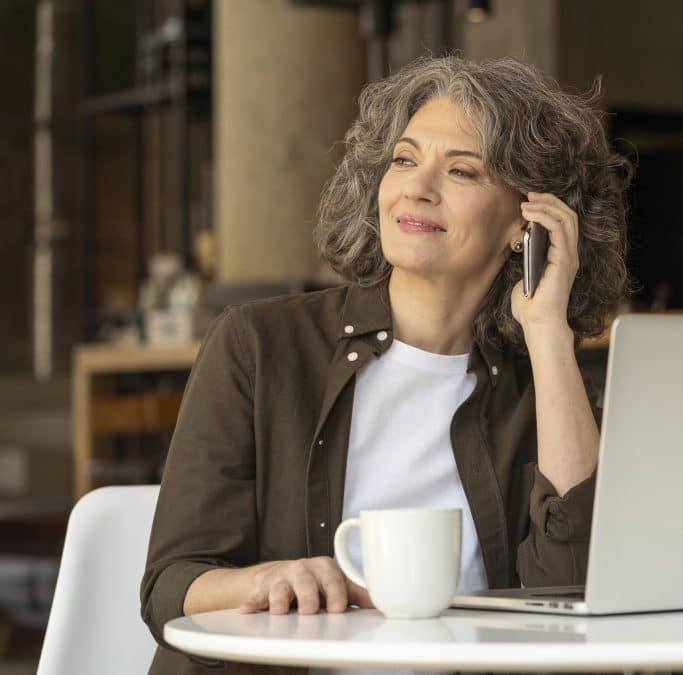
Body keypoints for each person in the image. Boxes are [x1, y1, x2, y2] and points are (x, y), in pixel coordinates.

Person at [140, 53, 634, 674]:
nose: (416, 188)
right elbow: (168, 588)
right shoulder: (258, 344)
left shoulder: (542, 384)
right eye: (404, 159)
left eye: (461, 171)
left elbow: (572, 596)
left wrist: (548, 334)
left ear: (525, 223)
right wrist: (268, 580)